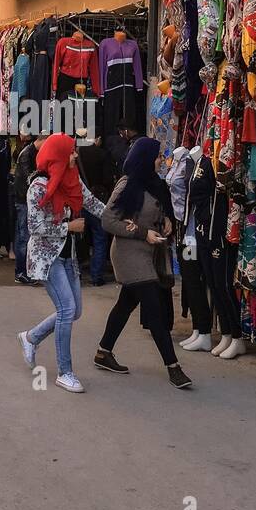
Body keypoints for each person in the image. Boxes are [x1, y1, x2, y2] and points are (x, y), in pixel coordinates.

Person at [93, 136, 193, 389]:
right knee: (154, 308)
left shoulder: (156, 184)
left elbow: (160, 211)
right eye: (158, 156)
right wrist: (141, 232)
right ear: (146, 159)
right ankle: (173, 367)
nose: (161, 160)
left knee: (125, 304)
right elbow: (108, 220)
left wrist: (167, 221)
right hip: (129, 253)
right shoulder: (127, 184)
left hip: (151, 252)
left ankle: (103, 352)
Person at [16, 133, 105, 393]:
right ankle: (65, 372)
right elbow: (34, 226)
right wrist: (69, 227)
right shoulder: (39, 187)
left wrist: (122, 220)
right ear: (58, 156)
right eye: (71, 151)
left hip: (68, 256)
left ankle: (31, 338)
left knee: (74, 311)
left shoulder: (72, 179)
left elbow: (92, 204)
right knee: (67, 309)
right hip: (47, 258)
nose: (75, 155)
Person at [77, 135, 115, 285]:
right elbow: (107, 179)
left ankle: (77, 272)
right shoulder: (102, 154)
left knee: (79, 238)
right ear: (98, 138)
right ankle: (96, 276)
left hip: (80, 200)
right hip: (98, 198)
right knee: (100, 238)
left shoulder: (78, 153)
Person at [12, 132, 38, 284]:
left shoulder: (27, 152)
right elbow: (29, 177)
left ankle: (22, 271)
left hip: (23, 199)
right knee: (24, 236)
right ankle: (22, 272)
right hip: (23, 200)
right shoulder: (27, 154)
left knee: (22, 235)